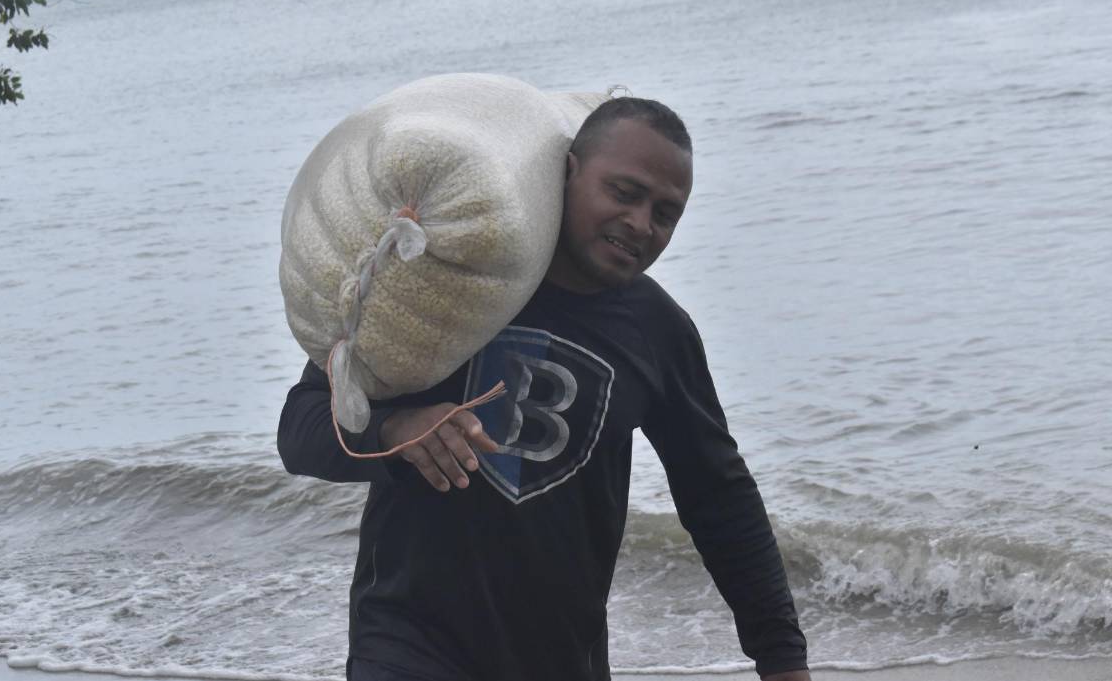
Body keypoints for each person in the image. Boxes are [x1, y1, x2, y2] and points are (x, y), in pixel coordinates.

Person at [278, 97, 812, 681]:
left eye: (666, 213)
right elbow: (299, 427)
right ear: (568, 171)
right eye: (624, 193)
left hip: (562, 658)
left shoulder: (657, 331)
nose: (641, 223)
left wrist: (782, 658)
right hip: (408, 644)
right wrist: (396, 431)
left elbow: (719, 497)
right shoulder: (443, 284)